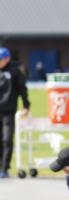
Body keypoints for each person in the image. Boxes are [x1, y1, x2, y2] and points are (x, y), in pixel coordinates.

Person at [0, 47, 30, 178]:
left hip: (8, 111)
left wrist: (26, 105)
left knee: (7, 139)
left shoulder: (15, 71)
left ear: (7, 59)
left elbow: (22, 89)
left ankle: (5, 167)